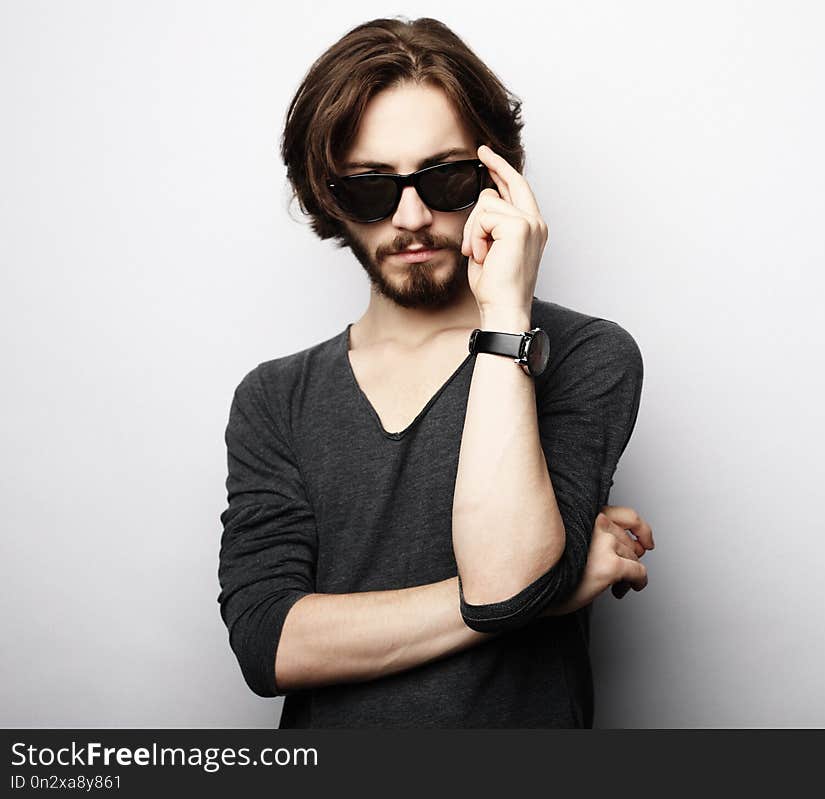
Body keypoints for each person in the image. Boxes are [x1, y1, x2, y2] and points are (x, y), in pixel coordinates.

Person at [217, 16, 655, 729]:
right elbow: (270, 643)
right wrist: (556, 584)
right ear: (328, 196)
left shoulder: (583, 356)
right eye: (370, 187)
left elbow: (508, 576)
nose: (412, 217)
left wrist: (507, 313)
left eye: (445, 177)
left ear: (494, 178)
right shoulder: (274, 398)